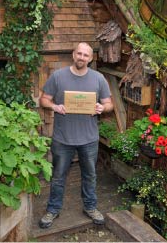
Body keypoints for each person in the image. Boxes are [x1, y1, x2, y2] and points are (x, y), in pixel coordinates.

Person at [39, 41, 112, 228]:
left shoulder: (98, 79)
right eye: (79, 54)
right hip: (63, 139)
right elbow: (44, 99)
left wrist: (102, 107)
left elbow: (109, 104)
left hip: (89, 139)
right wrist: (55, 106)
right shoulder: (58, 76)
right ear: (73, 54)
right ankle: (53, 209)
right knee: (58, 176)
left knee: (90, 175)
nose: (82, 57)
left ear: (91, 58)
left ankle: (90, 207)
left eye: (86, 55)